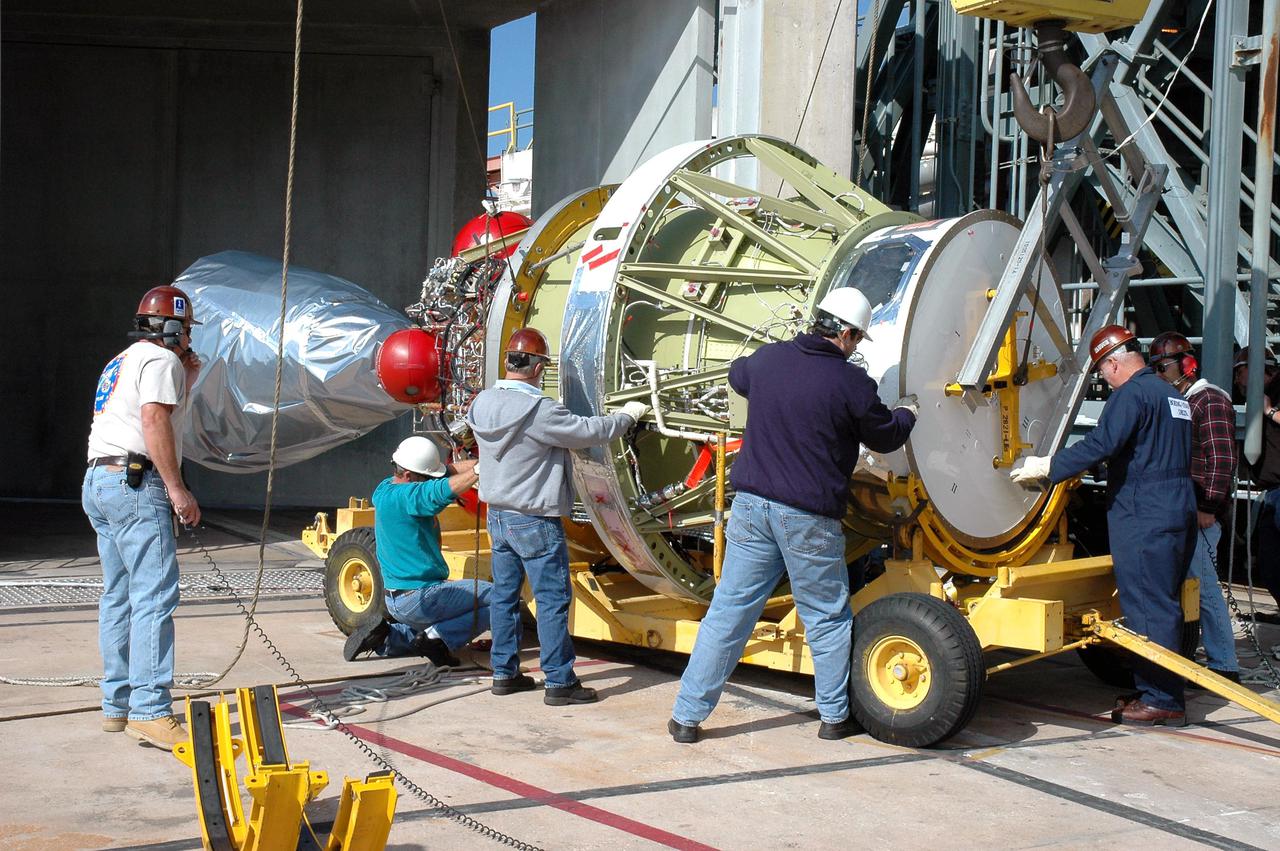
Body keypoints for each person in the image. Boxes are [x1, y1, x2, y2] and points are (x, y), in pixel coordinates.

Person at [669, 287, 918, 744]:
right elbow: (884, 438)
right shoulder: (850, 384)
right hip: (808, 516)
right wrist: (908, 413)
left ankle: (686, 716)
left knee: (728, 613)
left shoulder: (768, 360)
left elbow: (736, 375)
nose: (856, 346)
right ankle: (833, 717)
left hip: (750, 507)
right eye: (857, 338)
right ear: (844, 333)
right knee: (825, 616)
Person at [1012, 325, 1195, 726]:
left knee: (1147, 607)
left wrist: (1049, 469)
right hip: (1177, 508)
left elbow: (1102, 444)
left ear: (1113, 363)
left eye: (1102, 372)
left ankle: (1162, 698)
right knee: (1164, 604)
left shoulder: (1131, 395)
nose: (1105, 381)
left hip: (1144, 513)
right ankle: (1158, 688)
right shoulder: (1171, 394)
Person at [467, 328, 649, 705]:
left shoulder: (481, 403)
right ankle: (559, 682)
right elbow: (588, 431)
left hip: (498, 516)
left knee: (503, 597)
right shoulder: (540, 411)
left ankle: (504, 673)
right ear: (536, 368)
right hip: (534, 519)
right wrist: (628, 417)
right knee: (551, 600)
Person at [82, 285, 203, 750]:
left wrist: (187, 379)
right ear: (172, 328)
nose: (190, 338)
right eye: (187, 329)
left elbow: (140, 414)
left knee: (119, 595)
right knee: (154, 595)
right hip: (136, 483)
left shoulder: (122, 360)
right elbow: (154, 421)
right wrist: (177, 489)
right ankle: (151, 709)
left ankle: (118, 703)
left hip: (101, 479)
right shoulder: (162, 361)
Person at [343, 436, 489, 667]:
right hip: (421, 597)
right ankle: (437, 639)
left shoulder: (385, 488)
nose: (431, 480)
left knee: (446, 614)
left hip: (397, 599)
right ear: (410, 476)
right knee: (497, 597)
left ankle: (389, 639)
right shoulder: (410, 497)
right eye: (426, 477)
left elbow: (447, 472)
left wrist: (488, 460)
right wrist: (479, 472)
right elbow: (439, 490)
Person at [1149, 332, 1239, 681]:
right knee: (1196, 587)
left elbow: (1220, 460)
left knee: (1205, 589)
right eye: (1155, 367)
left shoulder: (1209, 400)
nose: (1160, 373)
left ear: (1187, 363)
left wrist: (1208, 507)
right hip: (1189, 511)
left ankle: (1224, 665)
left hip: (1202, 513)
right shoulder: (1185, 401)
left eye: (1164, 366)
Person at [1233, 345, 1280, 622]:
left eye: (1240, 372)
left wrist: (1270, 411)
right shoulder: (1258, 396)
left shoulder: (1274, 394)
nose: (1238, 379)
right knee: (1270, 562)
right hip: (1271, 490)